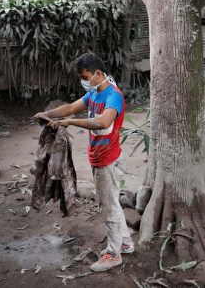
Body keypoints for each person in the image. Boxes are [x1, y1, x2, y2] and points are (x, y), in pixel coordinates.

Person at [34, 52, 134, 272]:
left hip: (107, 159)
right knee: (112, 203)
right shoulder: (94, 94)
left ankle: (114, 254)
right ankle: (125, 243)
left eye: (85, 76)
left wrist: (69, 122)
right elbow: (69, 107)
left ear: (98, 73)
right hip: (99, 156)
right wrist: (48, 114)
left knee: (108, 207)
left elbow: (103, 121)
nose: (83, 81)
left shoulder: (112, 96)